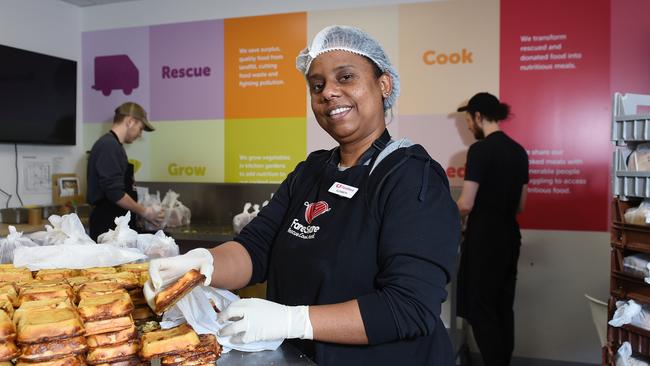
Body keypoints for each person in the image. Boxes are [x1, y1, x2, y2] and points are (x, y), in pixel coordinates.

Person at [144, 25, 460, 366]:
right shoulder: (311, 172)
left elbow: (409, 307)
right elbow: (255, 248)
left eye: (346, 77)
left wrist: (293, 320)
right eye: (317, 85)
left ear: (384, 85)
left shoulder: (410, 176)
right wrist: (200, 265)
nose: (329, 93)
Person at [455, 92, 529, 366]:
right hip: (510, 236)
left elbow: (466, 203)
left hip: (484, 240)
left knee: (480, 309)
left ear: (478, 116)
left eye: (467, 121)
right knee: (502, 307)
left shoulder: (480, 151)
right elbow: (521, 205)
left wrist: (439, 215)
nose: (468, 127)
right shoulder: (519, 151)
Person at [87, 102, 163, 241]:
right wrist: (145, 212)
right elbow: (115, 192)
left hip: (115, 222)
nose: (140, 135)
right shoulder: (109, 146)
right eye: (140, 129)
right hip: (108, 224)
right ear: (130, 121)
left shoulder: (115, 146)